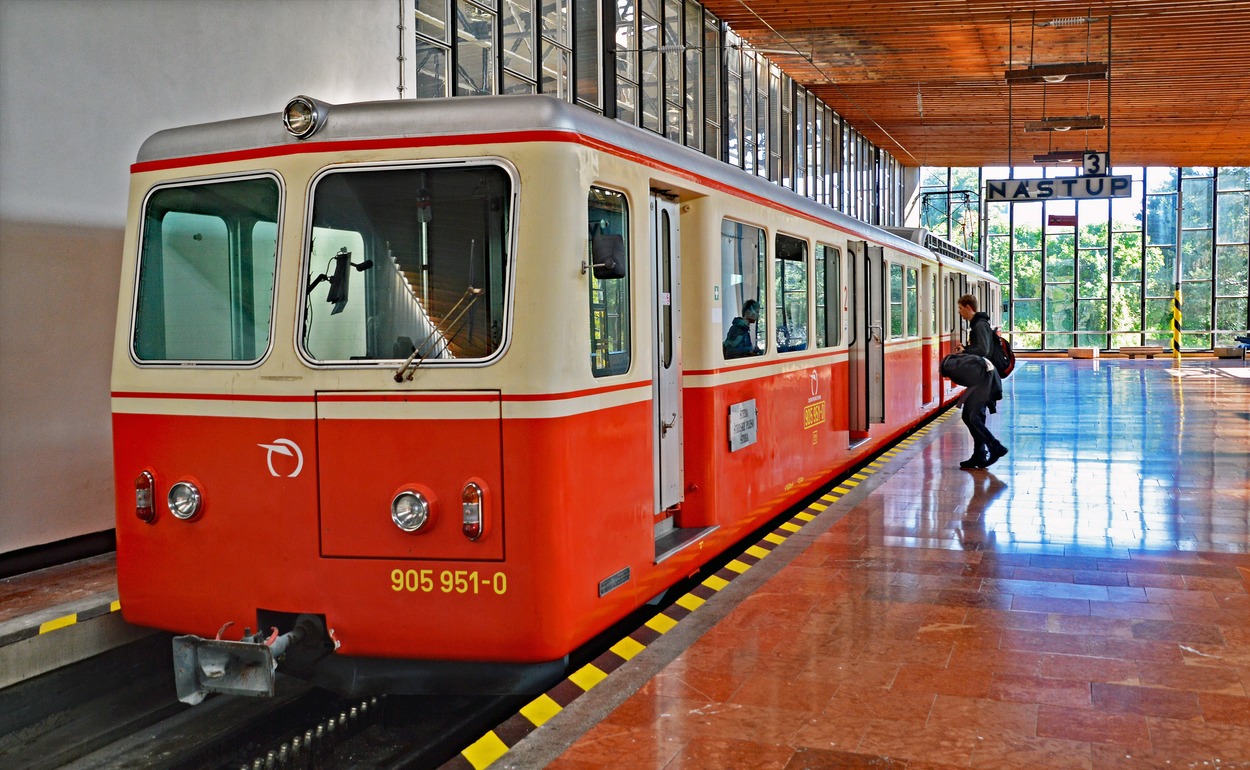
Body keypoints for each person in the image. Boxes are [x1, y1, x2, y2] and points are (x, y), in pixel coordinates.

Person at [952, 294, 1008, 469]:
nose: (960, 312)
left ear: (969, 307)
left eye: (961, 309)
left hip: (985, 379)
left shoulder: (980, 325)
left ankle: (994, 447)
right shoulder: (978, 324)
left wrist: (965, 350)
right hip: (981, 379)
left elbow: (983, 350)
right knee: (971, 416)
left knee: (972, 416)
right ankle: (980, 454)